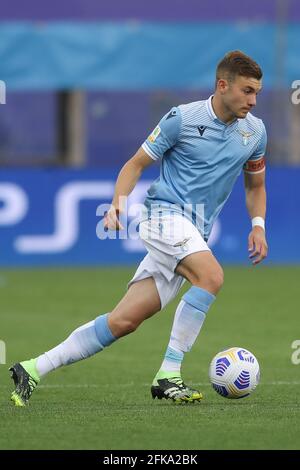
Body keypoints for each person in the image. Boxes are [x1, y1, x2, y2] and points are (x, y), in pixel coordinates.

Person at [10, 50, 268, 406]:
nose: (253, 101)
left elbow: (255, 185)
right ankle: (168, 375)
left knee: (123, 321)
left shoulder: (255, 132)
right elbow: (135, 164)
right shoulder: (182, 118)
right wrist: (118, 202)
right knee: (211, 277)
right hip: (163, 217)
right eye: (247, 91)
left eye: (257, 92)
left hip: (193, 231)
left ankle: (33, 367)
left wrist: (258, 225)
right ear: (223, 86)